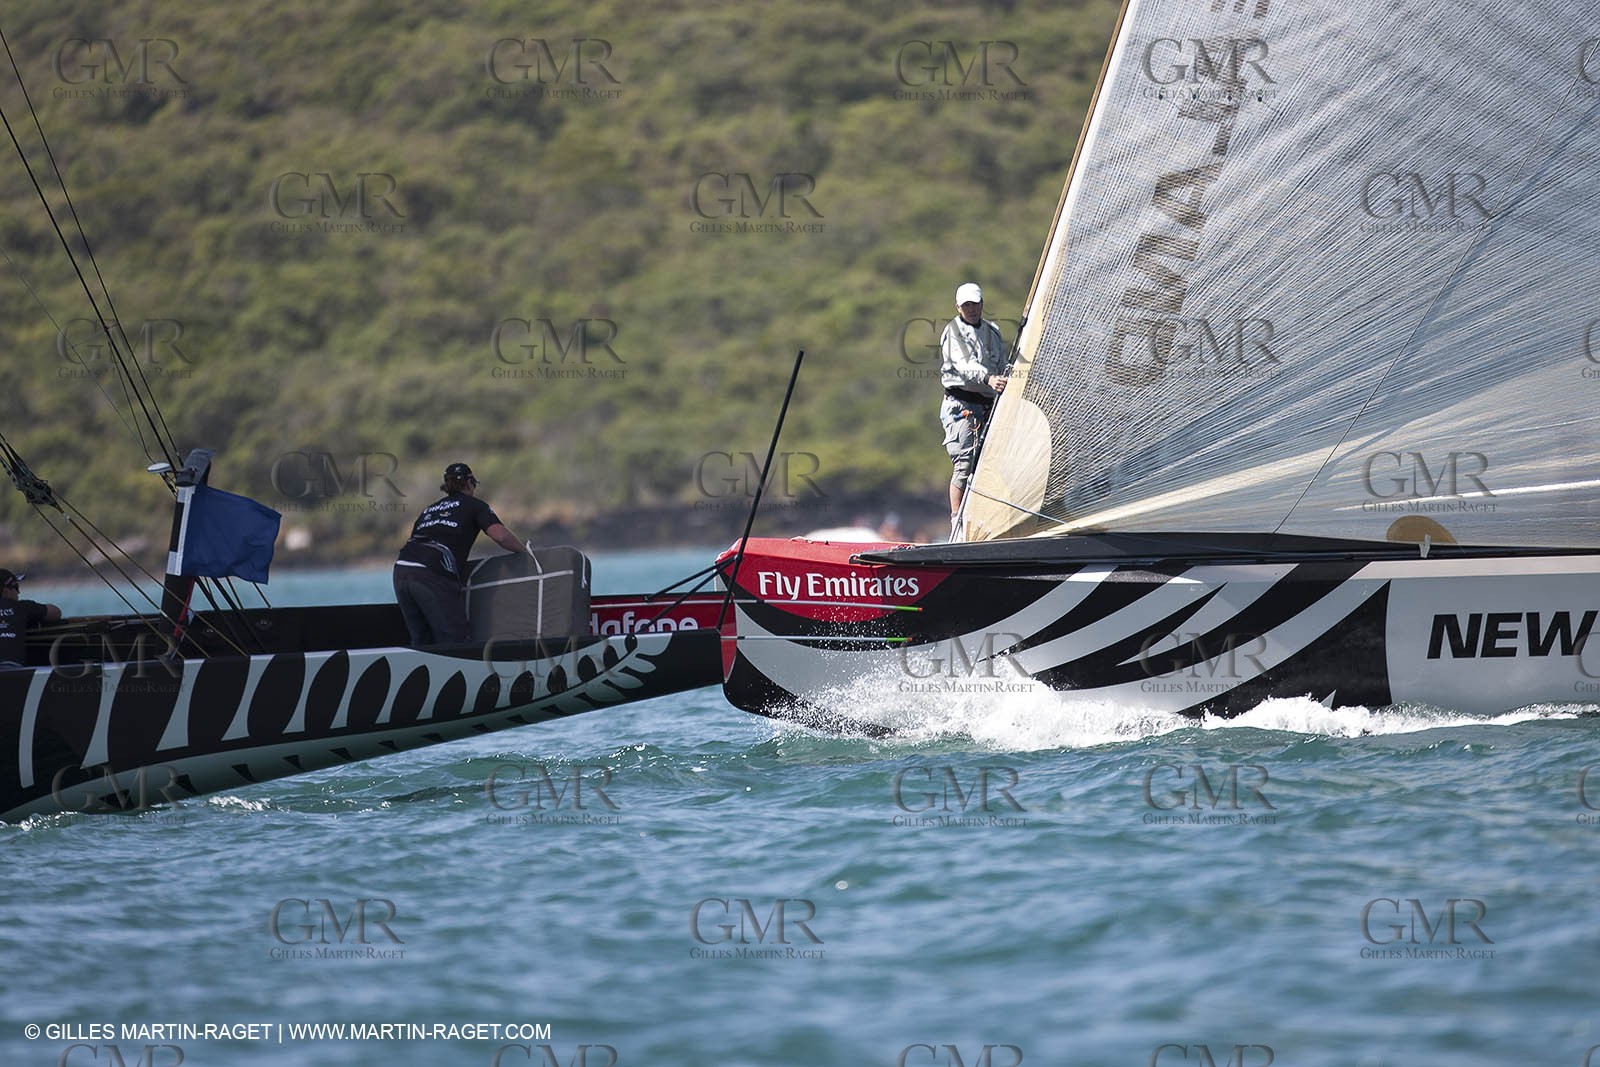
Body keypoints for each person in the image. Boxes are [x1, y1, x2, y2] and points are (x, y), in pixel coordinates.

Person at [393, 462, 528, 645]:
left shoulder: (428, 510)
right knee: (455, 640)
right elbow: (501, 536)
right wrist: (525, 552)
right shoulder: (475, 506)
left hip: (401, 570)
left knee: (421, 639)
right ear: (470, 482)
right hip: (430, 574)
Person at [940, 281, 1009, 520]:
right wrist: (989, 379)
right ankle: (956, 519)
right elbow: (964, 366)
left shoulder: (993, 331)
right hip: (961, 405)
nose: (971, 309)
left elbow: (1001, 364)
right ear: (958, 307)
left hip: (988, 406)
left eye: (975, 304)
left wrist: (1003, 382)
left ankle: (985, 517)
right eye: (966, 305)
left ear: (982, 304)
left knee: (989, 465)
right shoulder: (953, 331)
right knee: (964, 463)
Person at [0, 569, 62, 669]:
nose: (18, 593)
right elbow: (56, 612)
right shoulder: (23, 607)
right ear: (6, 592)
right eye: (16, 588)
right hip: (10, 670)